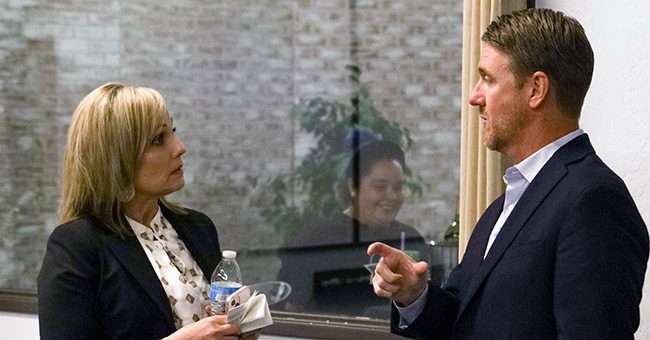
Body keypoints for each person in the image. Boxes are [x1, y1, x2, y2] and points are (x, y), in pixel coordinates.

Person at [368, 8, 649, 339]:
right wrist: (415, 295)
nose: (474, 97)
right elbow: (467, 320)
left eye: (488, 79)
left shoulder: (595, 200)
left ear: (535, 90)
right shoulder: (505, 204)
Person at [37, 83, 241, 339]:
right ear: (116, 157)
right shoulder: (77, 246)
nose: (179, 147)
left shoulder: (198, 227)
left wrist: (234, 330)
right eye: (158, 139)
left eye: (173, 131)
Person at [279, 129, 427, 318]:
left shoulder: (410, 239)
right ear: (352, 187)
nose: (391, 196)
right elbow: (291, 312)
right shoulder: (315, 240)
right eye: (380, 187)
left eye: (398, 187)